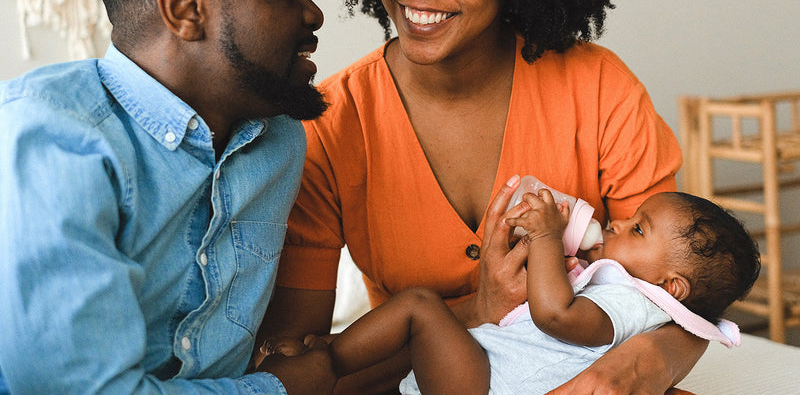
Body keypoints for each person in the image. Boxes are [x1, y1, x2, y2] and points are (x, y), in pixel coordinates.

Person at [260, 0, 706, 393]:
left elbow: (684, 285)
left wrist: (633, 371)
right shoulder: (332, 126)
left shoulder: (600, 89)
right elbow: (300, 374)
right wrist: (478, 310)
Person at [0, 0, 336, 394]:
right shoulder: (51, 142)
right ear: (185, 9)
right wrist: (277, 390)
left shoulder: (277, 142)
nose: (312, 11)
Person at [260, 189, 761, 395]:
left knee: (418, 305)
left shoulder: (633, 303)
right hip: (491, 377)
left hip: (487, 386)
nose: (618, 221)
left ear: (669, 286)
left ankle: (327, 360)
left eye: (637, 230)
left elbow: (556, 317)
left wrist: (545, 237)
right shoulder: (628, 292)